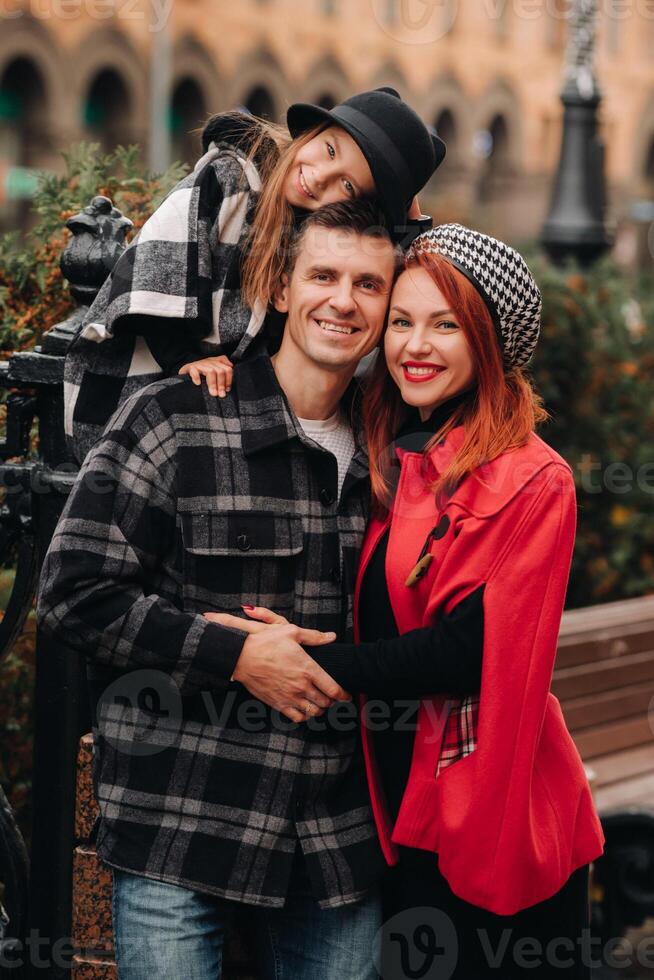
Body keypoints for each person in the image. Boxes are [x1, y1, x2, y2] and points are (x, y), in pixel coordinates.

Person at [210, 225, 606, 979]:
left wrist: (315, 663)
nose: (415, 346)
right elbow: (306, 341)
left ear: (488, 341)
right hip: (393, 812)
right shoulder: (393, 445)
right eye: (402, 321)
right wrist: (207, 361)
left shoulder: (533, 477)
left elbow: (468, 650)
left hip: (491, 819)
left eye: (446, 324)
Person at [37, 200, 417, 980]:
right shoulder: (177, 417)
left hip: (334, 844)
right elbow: (75, 592)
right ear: (280, 288)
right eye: (322, 275)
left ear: (388, 305)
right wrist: (234, 656)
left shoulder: (399, 458)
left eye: (368, 285)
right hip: (182, 821)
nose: (343, 301)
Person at [65, 87, 444, 466]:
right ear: (313, 132)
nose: (320, 178)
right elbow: (157, 268)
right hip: (137, 384)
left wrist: (407, 216)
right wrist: (183, 357)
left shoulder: (308, 228)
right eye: (329, 150)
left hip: (220, 414)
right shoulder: (231, 177)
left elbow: (389, 260)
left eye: (347, 186)